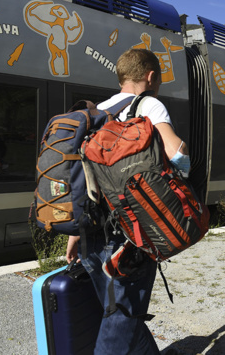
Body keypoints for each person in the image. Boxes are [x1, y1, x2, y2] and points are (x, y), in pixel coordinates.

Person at [66, 48, 189, 354]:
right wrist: (180, 172)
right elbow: (179, 154)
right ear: (150, 77)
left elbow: (85, 180)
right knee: (120, 319)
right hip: (130, 236)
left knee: (121, 312)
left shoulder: (96, 113)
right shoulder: (149, 104)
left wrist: (72, 235)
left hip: (91, 236)